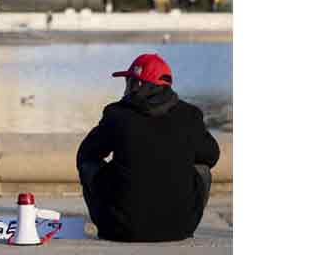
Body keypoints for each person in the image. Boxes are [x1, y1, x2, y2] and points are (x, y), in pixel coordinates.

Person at [76, 53, 220, 242]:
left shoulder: (117, 114)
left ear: (139, 84)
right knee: (202, 171)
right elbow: (211, 156)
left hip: (120, 230)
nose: (126, 86)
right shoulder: (189, 115)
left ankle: (106, 220)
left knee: (89, 166)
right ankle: (182, 219)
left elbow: (86, 155)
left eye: (129, 81)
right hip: (178, 229)